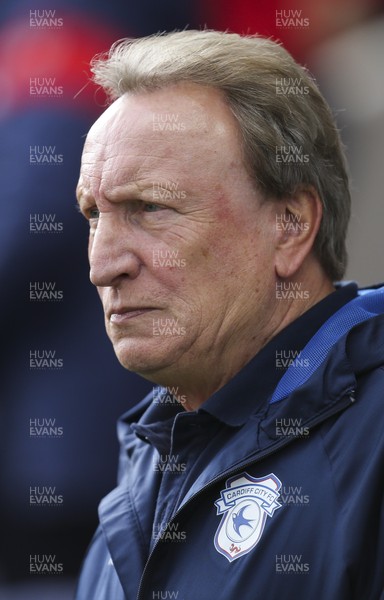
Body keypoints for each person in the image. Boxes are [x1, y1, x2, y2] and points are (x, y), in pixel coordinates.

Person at [75, 30, 384, 599]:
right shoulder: (145, 468)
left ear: (290, 224)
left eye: (149, 207)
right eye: (95, 214)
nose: (102, 265)